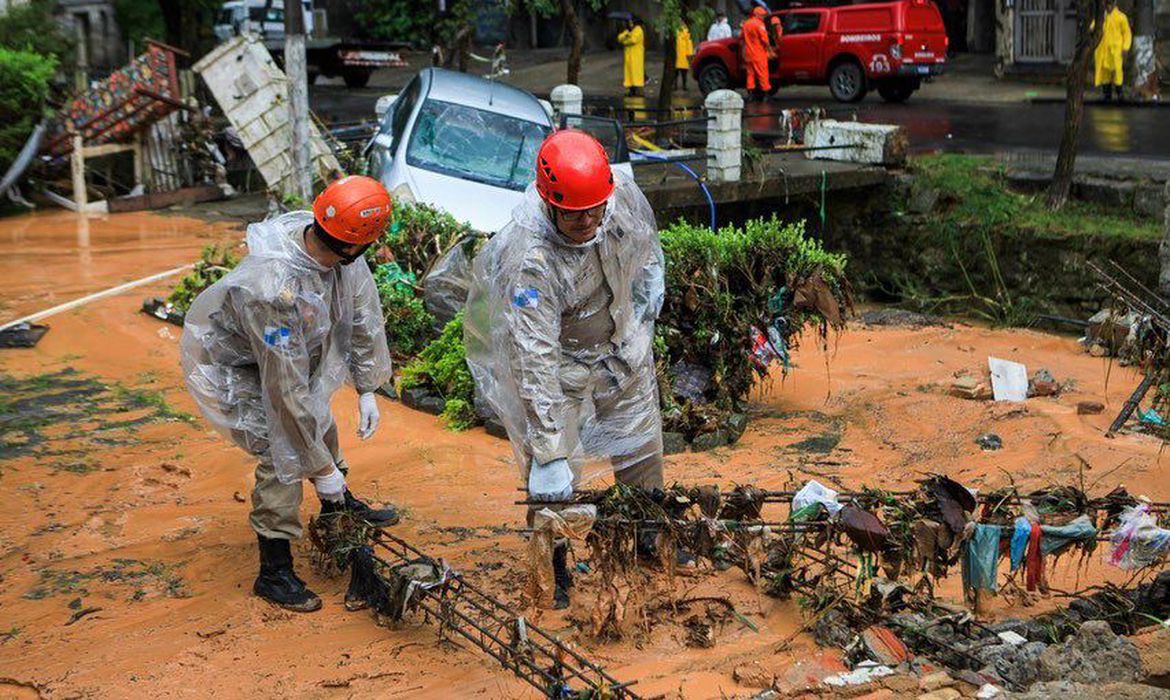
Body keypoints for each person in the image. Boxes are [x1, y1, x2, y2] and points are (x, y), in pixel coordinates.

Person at [464, 130, 666, 610]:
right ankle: (551, 565)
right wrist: (551, 451)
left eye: (595, 209)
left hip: (621, 344)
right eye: (576, 213)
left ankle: (649, 539)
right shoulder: (529, 259)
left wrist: (646, 298)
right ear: (549, 202)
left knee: (643, 449)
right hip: (562, 365)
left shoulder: (617, 200)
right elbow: (533, 355)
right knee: (552, 481)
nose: (589, 221)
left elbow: (646, 251)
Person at [180, 175, 399, 613]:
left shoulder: (342, 252)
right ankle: (274, 568)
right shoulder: (271, 288)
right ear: (350, 243)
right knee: (283, 452)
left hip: (293, 359)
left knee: (316, 422)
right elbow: (284, 390)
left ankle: (339, 506)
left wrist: (368, 386)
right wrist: (319, 469)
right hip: (239, 367)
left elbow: (362, 316)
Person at [1094, 0, 1132, 102]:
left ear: (1114, 4)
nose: (1108, 6)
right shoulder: (1102, 17)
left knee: (1117, 72)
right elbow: (1094, 27)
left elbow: (1127, 33)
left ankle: (1120, 93)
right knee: (1105, 73)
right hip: (1104, 50)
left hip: (1116, 50)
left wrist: (1125, 47)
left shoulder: (1121, 17)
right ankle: (1107, 94)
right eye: (1107, 4)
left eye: (1110, 4)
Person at [742, 6, 773, 101]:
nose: (764, 17)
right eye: (763, 15)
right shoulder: (760, 24)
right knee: (762, 74)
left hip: (749, 54)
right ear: (758, 15)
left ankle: (751, 96)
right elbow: (765, 40)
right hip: (759, 54)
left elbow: (742, 38)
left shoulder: (746, 24)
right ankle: (766, 95)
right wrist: (770, 50)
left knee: (750, 75)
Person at [617, 18, 646, 97]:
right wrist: (626, 35)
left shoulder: (638, 30)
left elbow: (633, 40)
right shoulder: (628, 31)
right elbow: (619, 38)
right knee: (629, 74)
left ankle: (638, 91)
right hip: (629, 56)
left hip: (636, 56)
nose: (630, 24)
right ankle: (631, 90)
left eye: (631, 22)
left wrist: (625, 40)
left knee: (636, 74)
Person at [675, 24, 695, 91]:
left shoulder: (686, 31)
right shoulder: (676, 30)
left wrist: (689, 54)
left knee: (683, 72)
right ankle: (676, 85)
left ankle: (684, 85)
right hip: (677, 54)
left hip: (683, 55)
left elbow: (689, 43)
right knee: (676, 72)